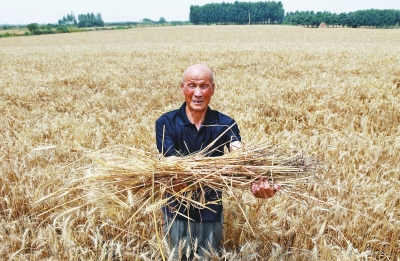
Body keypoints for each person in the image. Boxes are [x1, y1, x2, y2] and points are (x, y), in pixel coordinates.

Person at [155, 64, 280, 259]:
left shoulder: (225, 123)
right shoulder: (166, 123)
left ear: (213, 89)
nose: (198, 93)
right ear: (182, 89)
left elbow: (238, 152)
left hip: (210, 213)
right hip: (176, 212)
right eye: (192, 85)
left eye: (204, 86)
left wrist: (257, 177)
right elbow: (172, 163)